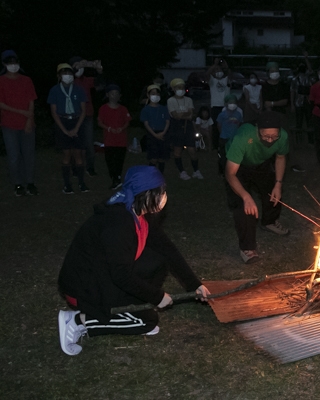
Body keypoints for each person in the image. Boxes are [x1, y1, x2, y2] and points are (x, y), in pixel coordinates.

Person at [57, 166, 211, 356]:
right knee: (147, 321)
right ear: (145, 194)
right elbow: (120, 274)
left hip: (104, 273)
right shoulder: (118, 223)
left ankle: (124, 305)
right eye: (160, 192)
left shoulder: (139, 212)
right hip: (84, 287)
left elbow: (167, 249)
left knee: (158, 260)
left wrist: (194, 284)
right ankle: (77, 321)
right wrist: (156, 297)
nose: (164, 197)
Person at [224, 111, 290, 264]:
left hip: (260, 163)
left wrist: (278, 184)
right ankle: (247, 248)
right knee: (243, 205)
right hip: (237, 166)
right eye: (266, 136)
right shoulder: (243, 137)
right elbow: (230, 174)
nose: (270, 140)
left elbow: (280, 157)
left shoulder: (283, 137)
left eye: (274, 136)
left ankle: (269, 221)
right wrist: (246, 197)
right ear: (257, 130)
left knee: (273, 190)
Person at [0, 49, 38, 196]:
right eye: (10, 63)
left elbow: (31, 101)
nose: (13, 65)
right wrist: (22, 113)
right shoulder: (1, 81)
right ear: (4, 64)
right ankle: (17, 184)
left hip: (27, 124)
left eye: (15, 62)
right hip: (9, 124)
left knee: (29, 155)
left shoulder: (26, 80)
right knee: (14, 156)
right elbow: (1, 104)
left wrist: (29, 119)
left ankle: (30, 183)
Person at [48, 63, 89, 194]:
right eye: (64, 73)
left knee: (78, 154)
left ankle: (82, 183)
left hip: (77, 120)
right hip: (62, 121)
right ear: (59, 76)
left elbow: (83, 110)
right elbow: (54, 112)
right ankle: (67, 185)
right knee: (66, 154)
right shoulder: (54, 90)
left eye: (69, 73)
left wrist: (76, 128)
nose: (67, 76)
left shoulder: (79, 89)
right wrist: (64, 130)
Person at [262, 61, 303, 172]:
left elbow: (285, 101)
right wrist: (270, 109)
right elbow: (265, 104)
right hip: (269, 116)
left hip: (282, 115)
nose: (274, 73)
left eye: (276, 70)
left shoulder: (283, 85)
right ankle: (270, 165)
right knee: (270, 140)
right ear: (268, 72)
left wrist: (272, 103)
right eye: (272, 71)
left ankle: (292, 164)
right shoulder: (265, 86)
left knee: (287, 139)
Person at [70, 56, 104, 176]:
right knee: (74, 143)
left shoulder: (87, 80)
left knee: (89, 143)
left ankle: (90, 167)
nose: (81, 68)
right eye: (78, 65)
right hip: (73, 116)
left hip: (88, 115)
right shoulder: (69, 80)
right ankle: (75, 168)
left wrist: (99, 71)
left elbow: (100, 86)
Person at [167, 78, 203, 180]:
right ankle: (182, 171)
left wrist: (182, 114)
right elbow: (175, 116)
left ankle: (196, 170)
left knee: (192, 150)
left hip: (188, 126)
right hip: (176, 127)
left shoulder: (188, 100)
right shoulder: (171, 101)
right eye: (178, 87)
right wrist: (185, 114)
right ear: (173, 89)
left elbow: (191, 114)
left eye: (182, 87)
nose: (181, 89)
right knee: (177, 150)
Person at [97, 84, 131, 189]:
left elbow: (127, 121)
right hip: (109, 140)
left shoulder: (123, 109)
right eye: (112, 94)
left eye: (116, 94)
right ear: (107, 95)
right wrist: (109, 128)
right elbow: (99, 122)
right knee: (110, 159)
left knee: (119, 159)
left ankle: (117, 177)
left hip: (121, 140)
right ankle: (114, 177)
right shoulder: (103, 108)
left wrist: (122, 128)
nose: (114, 96)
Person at [141, 84, 170, 174]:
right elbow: (146, 124)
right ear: (148, 95)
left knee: (162, 158)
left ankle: (160, 176)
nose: (155, 96)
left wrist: (163, 132)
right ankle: (150, 176)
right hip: (152, 134)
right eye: (153, 94)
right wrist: (155, 135)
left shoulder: (163, 108)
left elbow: (167, 121)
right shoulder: (146, 109)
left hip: (163, 133)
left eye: (157, 94)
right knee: (153, 158)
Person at [207, 57, 231, 149]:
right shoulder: (212, 80)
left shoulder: (226, 79)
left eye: (220, 70)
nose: (218, 71)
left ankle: (226, 143)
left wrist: (225, 66)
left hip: (226, 106)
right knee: (215, 126)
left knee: (227, 125)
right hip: (215, 106)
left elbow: (230, 74)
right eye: (217, 70)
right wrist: (215, 64)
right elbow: (207, 74)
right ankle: (215, 145)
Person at [216, 94, 243, 174]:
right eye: (230, 102)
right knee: (223, 155)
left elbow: (239, 124)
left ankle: (233, 171)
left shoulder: (238, 114)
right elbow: (219, 125)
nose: (232, 104)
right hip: (224, 138)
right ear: (226, 104)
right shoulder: (222, 114)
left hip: (234, 138)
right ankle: (222, 171)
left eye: (234, 102)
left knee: (234, 156)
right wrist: (223, 133)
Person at [290, 54, 313, 144]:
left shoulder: (307, 77)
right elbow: (292, 91)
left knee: (309, 122)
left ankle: (310, 141)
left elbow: (310, 69)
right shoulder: (295, 79)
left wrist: (306, 58)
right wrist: (292, 104)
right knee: (299, 122)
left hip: (307, 102)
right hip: (299, 103)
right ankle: (299, 141)